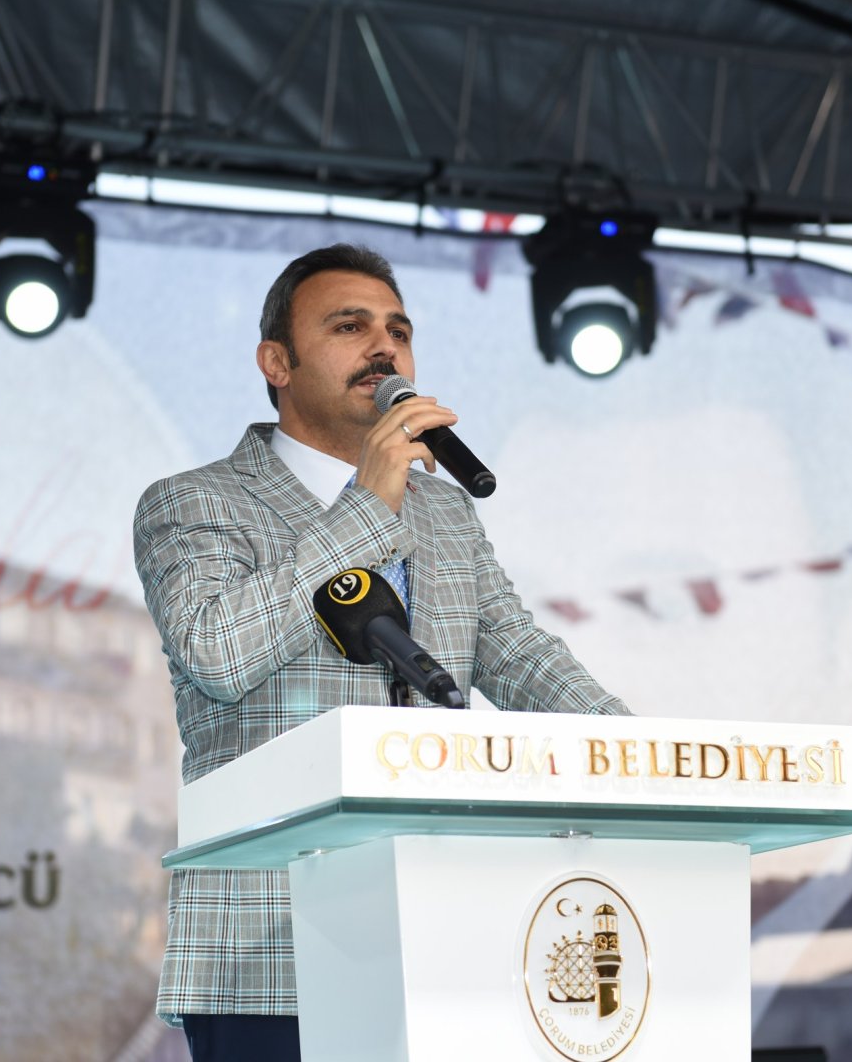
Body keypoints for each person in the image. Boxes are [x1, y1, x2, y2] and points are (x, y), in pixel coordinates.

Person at [133, 243, 627, 1062]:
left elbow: (516, 654)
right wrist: (369, 502)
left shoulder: (446, 512)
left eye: (398, 331)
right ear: (276, 363)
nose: (383, 347)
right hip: (271, 949)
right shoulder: (193, 502)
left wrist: (640, 754)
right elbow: (217, 653)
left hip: (445, 938)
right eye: (349, 326)